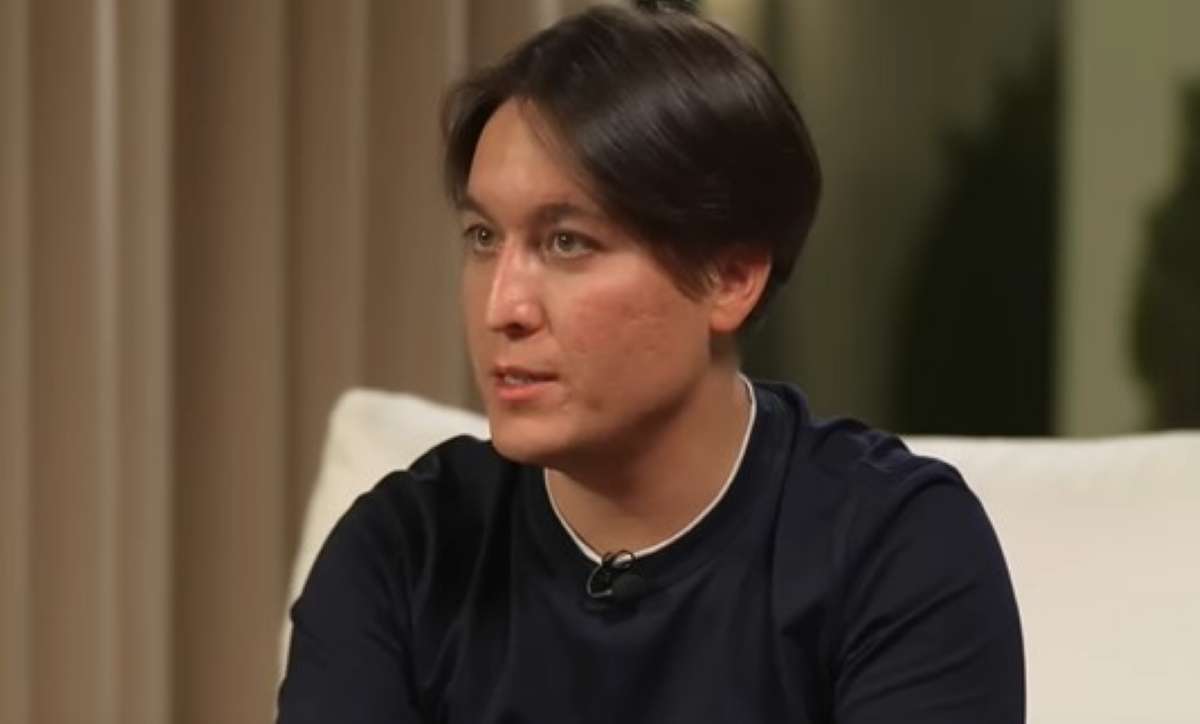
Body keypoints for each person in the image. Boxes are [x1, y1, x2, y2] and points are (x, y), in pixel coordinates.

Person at [277, 2, 1025, 722]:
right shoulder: (403, 554)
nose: (503, 306)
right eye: (483, 238)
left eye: (567, 242)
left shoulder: (895, 550)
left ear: (731, 277)